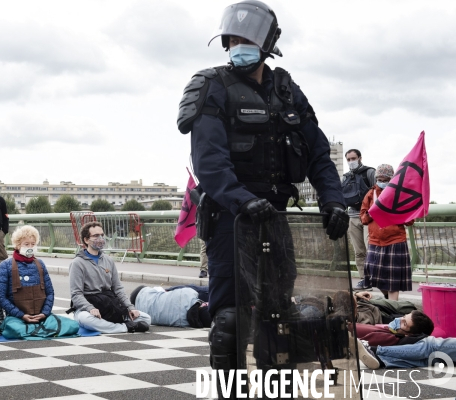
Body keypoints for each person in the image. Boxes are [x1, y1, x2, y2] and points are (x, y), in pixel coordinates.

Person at [176, 0, 349, 392]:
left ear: (267, 44)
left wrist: (333, 200)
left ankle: (277, 388)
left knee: (278, 317)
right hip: (231, 219)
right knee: (231, 321)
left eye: (246, 39)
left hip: (275, 217)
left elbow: (320, 153)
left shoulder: (286, 90)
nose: (238, 45)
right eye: (232, 39)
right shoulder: (211, 86)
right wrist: (241, 200)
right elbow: (209, 162)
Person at [69, 221, 151, 333]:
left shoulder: (108, 260)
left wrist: (130, 308)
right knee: (86, 319)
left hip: (110, 306)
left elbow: (118, 288)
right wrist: (90, 308)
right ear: (86, 240)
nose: (100, 238)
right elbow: (76, 294)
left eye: (102, 235)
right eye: (96, 236)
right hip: (88, 308)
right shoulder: (77, 263)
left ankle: (114, 326)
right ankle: (125, 327)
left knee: (146, 318)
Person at [361, 164, 414, 300]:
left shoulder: (400, 194)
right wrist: (371, 213)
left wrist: (397, 213)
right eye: (380, 179)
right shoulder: (370, 194)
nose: (382, 182)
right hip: (375, 241)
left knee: (393, 281)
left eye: (385, 179)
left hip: (395, 240)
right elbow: (363, 218)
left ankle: (393, 309)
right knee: (373, 275)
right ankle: (388, 301)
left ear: (392, 179)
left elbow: (410, 220)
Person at [0, 226, 54, 323]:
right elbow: (0, 297)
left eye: (33, 244)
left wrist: (45, 313)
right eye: (26, 244)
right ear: (18, 245)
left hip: (42, 317)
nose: (30, 247)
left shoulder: (40, 264)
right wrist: (20, 315)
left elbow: (50, 293)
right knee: (15, 329)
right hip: (16, 318)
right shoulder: (5, 265)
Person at [343, 150, 376, 290]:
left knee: (371, 248)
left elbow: (378, 192)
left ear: (360, 158)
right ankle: (364, 279)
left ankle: (375, 277)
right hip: (352, 216)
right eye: (348, 159)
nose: (351, 162)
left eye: (353, 158)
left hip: (368, 216)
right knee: (359, 251)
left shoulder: (369, 172)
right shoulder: (345, 177)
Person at [130, 285, 211, 328]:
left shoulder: (184, 322)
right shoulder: (189, 293)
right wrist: (168, 290)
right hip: (185, 300)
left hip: (184, 317)